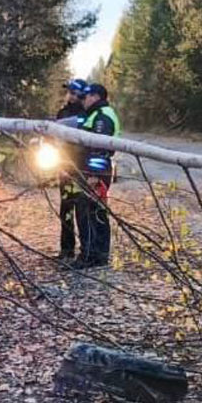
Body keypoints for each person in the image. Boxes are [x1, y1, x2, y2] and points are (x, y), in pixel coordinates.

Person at [73, 83, 120, 269]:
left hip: (96, 172)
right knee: (94, 212)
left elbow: (100, 149)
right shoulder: (95, 114)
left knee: (90, 213)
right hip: (91, 171)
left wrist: (94, 176)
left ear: (96, 97)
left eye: (86, 97)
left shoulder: (102, 116)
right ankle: (97, 255)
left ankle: (91, 256)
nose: (83, 101)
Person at [56, 78, 87, 260]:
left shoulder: (85, 114)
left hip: (80, 166)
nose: (70, 95)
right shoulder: (62, 111)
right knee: (65, 208)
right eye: (69, 92)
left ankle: (86, 249)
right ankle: (66, 249)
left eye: (74, 93)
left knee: (82, 209)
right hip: (63, 163)